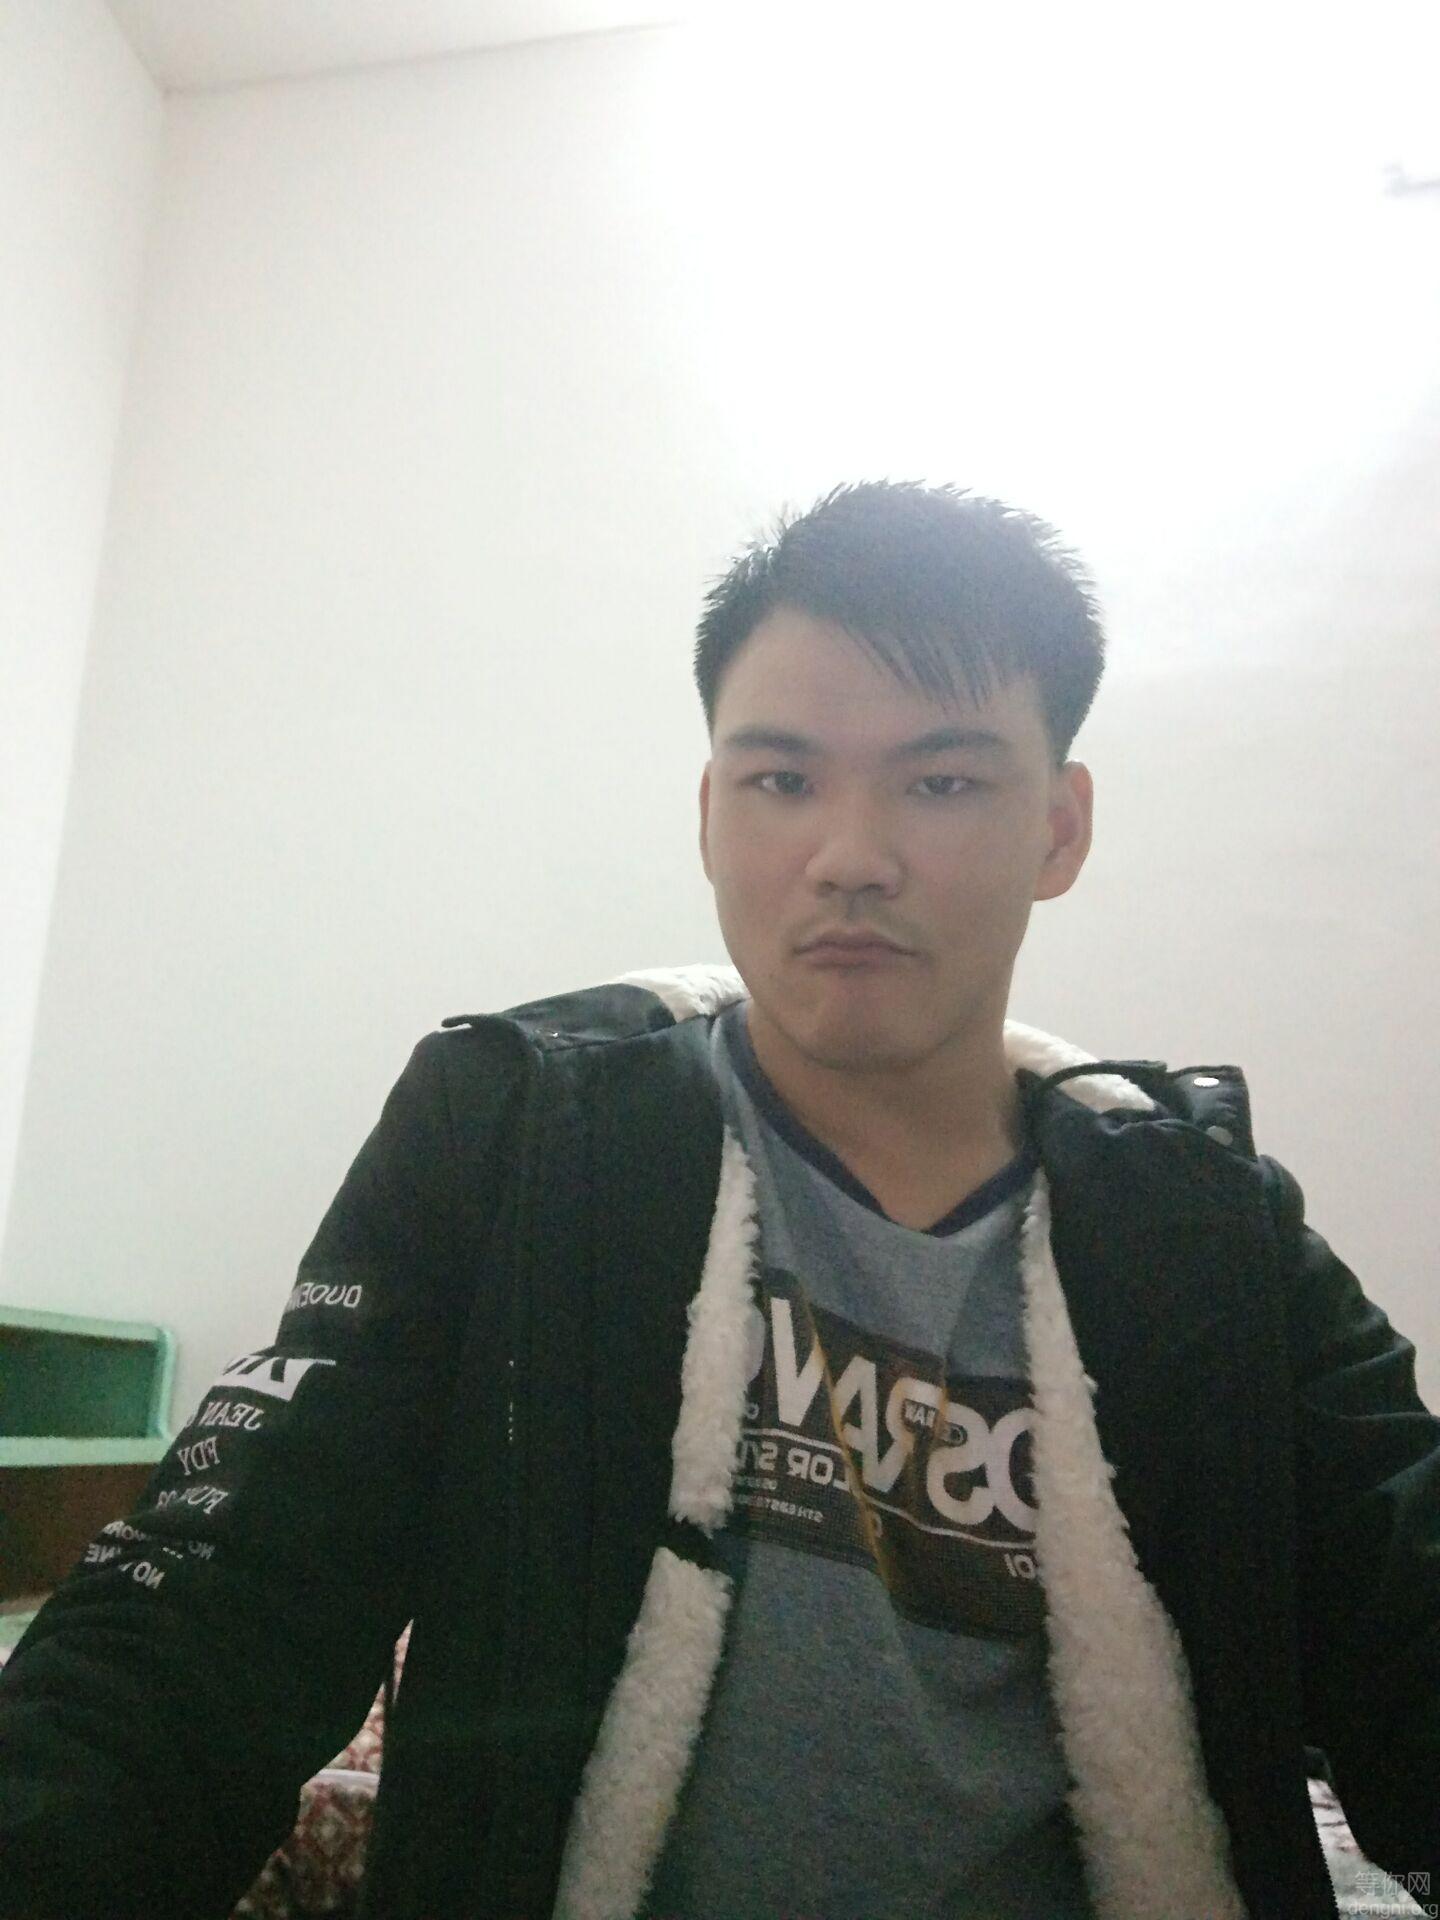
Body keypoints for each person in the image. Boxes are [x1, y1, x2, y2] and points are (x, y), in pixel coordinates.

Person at [1, 481, 1437, 1920]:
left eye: (942, 783)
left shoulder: (1207, 1230)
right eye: (783, 781)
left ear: (1059, 829)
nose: (850, 856)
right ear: (709, 813)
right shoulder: (525, 1133)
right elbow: (211, 1613)